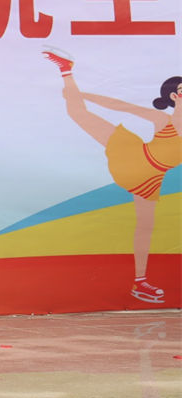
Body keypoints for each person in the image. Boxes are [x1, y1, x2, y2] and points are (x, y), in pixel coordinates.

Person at [43, 48, 180, 304]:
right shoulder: (163, 120)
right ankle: (66, 71)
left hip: (151, 178)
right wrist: (83, 94)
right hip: (133, 155)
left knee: (145, 227)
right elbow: (122, 106)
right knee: (79, 113)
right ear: (175, 95)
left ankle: (140, 282)